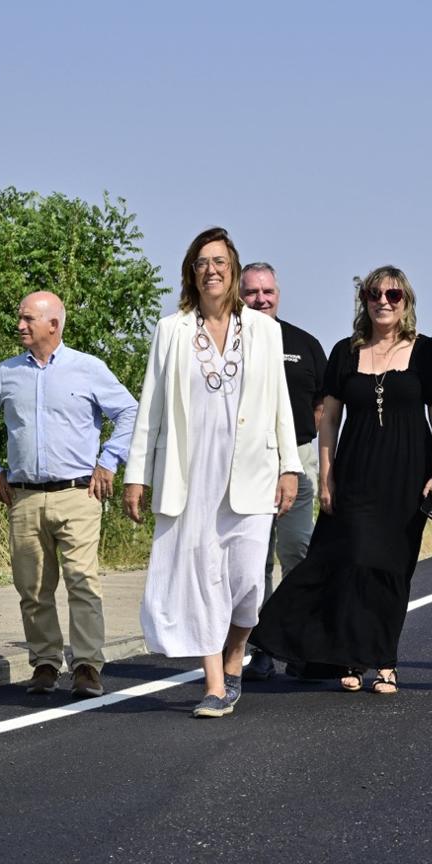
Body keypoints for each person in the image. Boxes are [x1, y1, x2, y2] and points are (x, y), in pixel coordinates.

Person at [123, 228, 301, 718]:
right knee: (203, 579)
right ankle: (215, 685)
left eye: (220, 261)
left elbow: (280, 404)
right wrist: (136, 475)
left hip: (253, 469)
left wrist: (290, 466)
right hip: (191, 470)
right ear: (191, 272)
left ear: (234, 269)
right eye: (202, 262)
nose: (212, 270)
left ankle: (236, 656)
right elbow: (151, 408)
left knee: (247, 581)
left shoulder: (264, 330)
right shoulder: (172, 330)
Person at [250, 267, 432, 694]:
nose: (383, 300)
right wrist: (326, 476)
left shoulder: (426, 351)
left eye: (393, 294)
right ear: (364, 300)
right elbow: (329, 422)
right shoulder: (345, 352)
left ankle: (385, 662)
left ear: (406, 301)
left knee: (393, 569)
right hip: (356, 472)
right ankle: (349, 657)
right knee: (354, 561)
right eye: (374, 293)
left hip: (407, 476)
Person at [0, 291, 139, 699]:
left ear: (54, 324)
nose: (20, 325)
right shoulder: (6, 373)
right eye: (20, 318)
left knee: (83, 582)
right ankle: (45, 663)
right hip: (24, 496)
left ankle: (86, 666)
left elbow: (130, 412)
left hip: (78, 494)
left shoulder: (88, 368)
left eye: (28, 318)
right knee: (31, 586)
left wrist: (109, 461)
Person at [237, 262, 327, 681]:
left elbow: (323, 410)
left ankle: (301, 645)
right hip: (247, 465)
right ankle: (260, 650)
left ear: (278, 292)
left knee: (297, 555)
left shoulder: (304, 344)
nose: (261, 299)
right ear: (240, 295)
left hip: (300, 463)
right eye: (252, 292)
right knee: (252, 564)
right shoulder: (229, 341)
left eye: (267, 291)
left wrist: (323, 465)